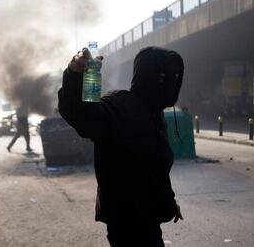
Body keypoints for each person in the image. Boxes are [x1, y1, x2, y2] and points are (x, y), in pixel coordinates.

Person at [58, 47, 184, 247]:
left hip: (149, 219)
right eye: (165, 76)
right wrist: (78, 75)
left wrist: (168, 202)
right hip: (126, 222)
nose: (172, 83)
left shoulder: (155, 114)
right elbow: (85, 114)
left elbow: (156, 169)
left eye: (176, 77)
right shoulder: (117, 106)